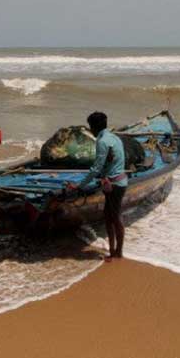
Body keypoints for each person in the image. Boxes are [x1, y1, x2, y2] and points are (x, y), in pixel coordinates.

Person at [67, 111, 128, 260]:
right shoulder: (114, 138)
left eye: (90, 127)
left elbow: (96, 168)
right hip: (119, 181)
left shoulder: (101, 141)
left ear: (93, 127)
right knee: (109, 217)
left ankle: (118, 252)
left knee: (115, 217)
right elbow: (114, 161)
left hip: (114, 185)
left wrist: (80, 185)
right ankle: (112, 250)